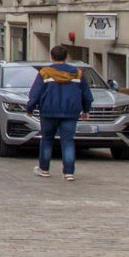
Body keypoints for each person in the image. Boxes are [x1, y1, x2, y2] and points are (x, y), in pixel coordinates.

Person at [26, 44, 95, 180]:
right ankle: (69, 172)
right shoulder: (77, 73)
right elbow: (86, 95)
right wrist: (86, 110)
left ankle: (44, 169)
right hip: (70, 113)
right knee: (68, 141)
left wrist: (30, 108)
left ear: (51, 57)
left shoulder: (45, 73)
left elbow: (35, 93)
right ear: (66, 57)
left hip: (48, 113)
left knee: (46, 140)